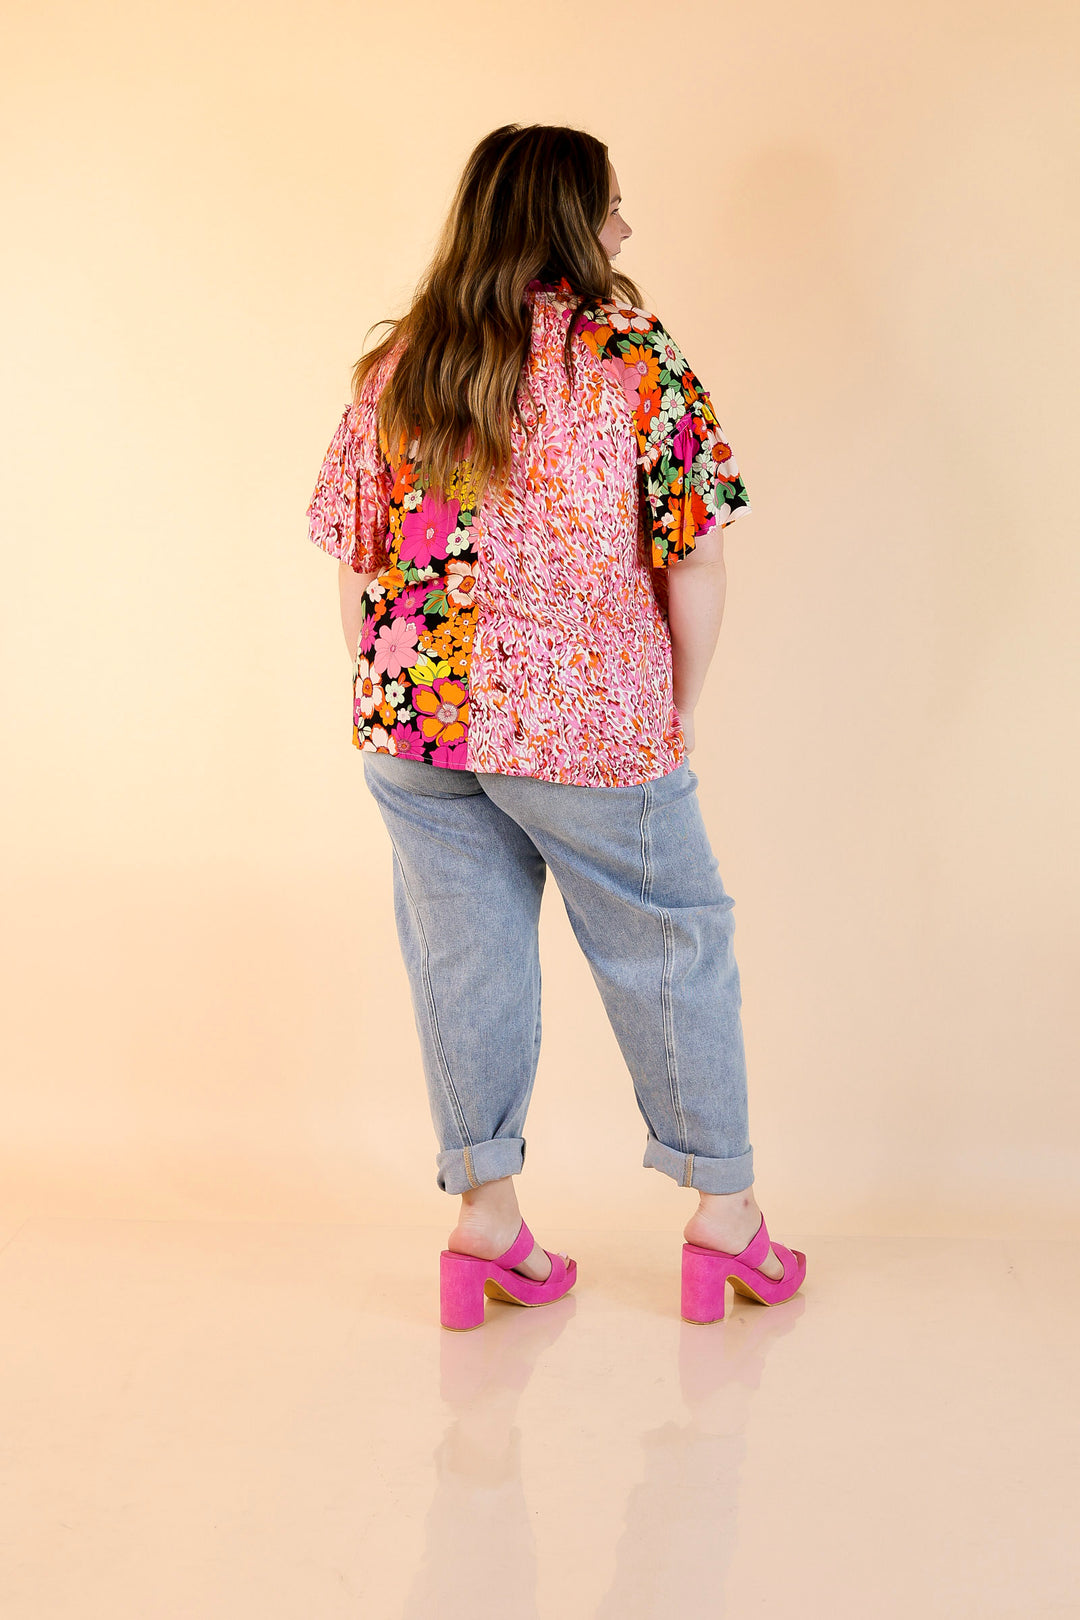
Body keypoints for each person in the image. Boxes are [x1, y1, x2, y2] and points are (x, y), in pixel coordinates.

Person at [305, 123, 806, 1330]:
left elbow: (352, 560)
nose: (626, 232)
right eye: (615, 211)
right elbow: (695, 560)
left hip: (415, 723)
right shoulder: (628, 354)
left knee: (460, 959)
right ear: (573, 224)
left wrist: (392, 701)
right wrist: (670, 710)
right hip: (583, 723)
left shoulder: (400, 365)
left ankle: (486, 1232)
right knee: (672, 938)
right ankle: (727, 1225)